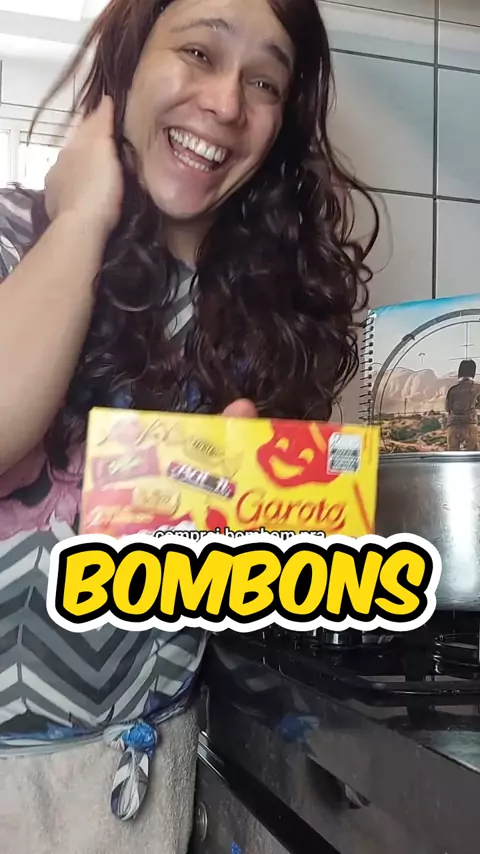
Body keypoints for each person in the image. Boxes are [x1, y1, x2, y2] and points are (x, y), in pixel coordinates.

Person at [0, 0, 378, 851]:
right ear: (128, 62)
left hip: (154, 789)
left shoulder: (269, 319)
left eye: (265, 82)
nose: (227, 102)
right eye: (200, 52)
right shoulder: (16, 237)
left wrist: (261, 531)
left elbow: (232, 603)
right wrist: (84, 218)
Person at [445, 359, 480, 451]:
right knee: (472, 452)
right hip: (470, 423)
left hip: (453, 424)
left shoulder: (453, 390)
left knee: (452, 452)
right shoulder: (478, 388)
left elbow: (448, 408)